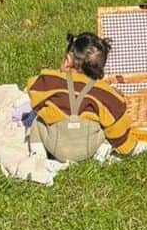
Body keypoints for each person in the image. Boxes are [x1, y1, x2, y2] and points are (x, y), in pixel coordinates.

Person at [25, 33, 141, 162]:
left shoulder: (52, 80)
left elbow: (33, 87)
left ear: (67, 60)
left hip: (54, 145)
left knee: (38, 120)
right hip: (87, 148)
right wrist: (126, 147)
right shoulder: (105, 92)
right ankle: (101, 154)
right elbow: (119, 120)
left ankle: (38, 154)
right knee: (106, 126)